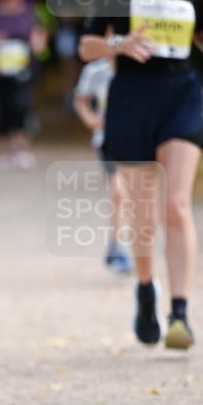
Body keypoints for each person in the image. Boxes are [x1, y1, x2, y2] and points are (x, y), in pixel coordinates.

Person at [79, 0, 203, 349]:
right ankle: (146, 289)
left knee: (177, 206)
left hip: (182, 94)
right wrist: (119, 45)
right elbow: (88, 44)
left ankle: (180, 313)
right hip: (132, 98)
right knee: (144, 216)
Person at [73, 57, 132, 273]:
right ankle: (118, 246)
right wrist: (91, 120)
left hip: (139, 138)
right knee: (119, 191)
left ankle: (125, 243)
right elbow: (81, 100)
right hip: (107, 139)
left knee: (136, 195)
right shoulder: (95, 70)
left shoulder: (142, 67)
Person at [0, 0, 47, 169]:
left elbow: (41, 37)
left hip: (25, 69)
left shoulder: (32, 12)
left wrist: (38, 43)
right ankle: (3, 149)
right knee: (3, 108)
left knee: (22, 106)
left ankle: (22, 148)